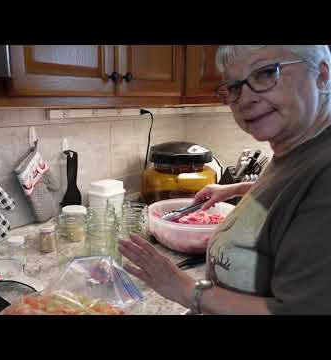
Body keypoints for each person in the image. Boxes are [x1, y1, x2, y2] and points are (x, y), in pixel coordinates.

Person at [118, 45, 331, 315]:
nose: (244, 99)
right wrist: (238, 188)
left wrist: (184, 288)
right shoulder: (297, 149)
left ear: (321, 76)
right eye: (233, 88)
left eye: (265, 73)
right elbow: (296, 200)